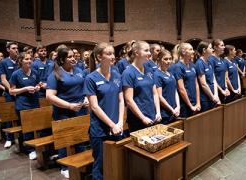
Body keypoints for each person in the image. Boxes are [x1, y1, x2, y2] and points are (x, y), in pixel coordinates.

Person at [46, 45, 89, 178]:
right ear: (62, 59)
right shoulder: (55, 74)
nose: (73, 59)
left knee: (80, 138)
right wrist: (69, 105)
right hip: (64, 111)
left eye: (73, 56)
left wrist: (87, 98)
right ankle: (64, 166)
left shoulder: (79, 70)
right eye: (69, 57)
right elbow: (50, 96)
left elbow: (85, 87)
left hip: (80, 110)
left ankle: (81, 162)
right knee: (65, 140)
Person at [85, 42, 124, 180]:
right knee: (100, 166)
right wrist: (112, 125)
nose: (113, 56)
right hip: (100, 130)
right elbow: (94, 107)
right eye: (109, 54)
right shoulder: (91, 78)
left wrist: (119, 122)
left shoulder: (117, 75)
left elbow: (121, 101)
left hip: (117, 127)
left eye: (113, 53)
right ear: (99, 57)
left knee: (117, 162)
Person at [122, 41, 161, 132]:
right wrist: (143, 118)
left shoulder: (149, 70)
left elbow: (154, 93)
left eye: (149, 51)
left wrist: (158, 112)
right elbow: (129, 100)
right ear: (136, 52)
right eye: (146, 50)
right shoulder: (128, 72)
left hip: (152, 115)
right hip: (138, 119)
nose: (149, 53)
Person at [9, 52, 40, 160]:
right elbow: (11, 91)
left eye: (30, 59)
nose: (29, 61)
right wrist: (25, 89)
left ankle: (37, 147)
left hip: (34, 102)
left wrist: (37, 88)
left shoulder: (35, 72)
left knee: (36, 126)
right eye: (26, 59)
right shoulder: (16, 74)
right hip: (22, 104)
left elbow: (37, 84)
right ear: (20, 61)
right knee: (27, 128)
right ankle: (30, 150)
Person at [0, 42, 19, 148]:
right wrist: (11, 90)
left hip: (20, 93)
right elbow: (3, 79)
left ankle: (21, 138)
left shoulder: (20, 61)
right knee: (10, 116)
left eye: (17, 48)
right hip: (10, 94)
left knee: (21, 115)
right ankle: (9, 138)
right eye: (13, 48)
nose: (16, 50)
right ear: (8, 50)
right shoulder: (3, 62)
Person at [171, 43, 200, 117]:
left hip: (195, 103)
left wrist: (198, 103)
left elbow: (196, 84)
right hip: (185, 104)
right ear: (183, 52)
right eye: (190, 49)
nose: (193, 51)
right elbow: (181, 89)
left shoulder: (192, 66)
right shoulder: (178, 67)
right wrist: (190, 106)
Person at [154, 49, 180, 124]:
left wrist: (178, 106)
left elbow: (175, 91)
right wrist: (172, 109)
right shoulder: (157, 74)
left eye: (170, 59)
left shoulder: (170, 74)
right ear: (159, 60)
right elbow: (159, 96)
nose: (168, 61)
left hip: (175, 111)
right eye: (165, 59)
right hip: (165, 113)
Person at [196, 41, 220, 112]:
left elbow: (214, 80)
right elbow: (203, 84)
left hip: (213, 96)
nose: (212, 50)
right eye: (210, 48)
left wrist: (216, 94)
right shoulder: (199, 63)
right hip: (205, 99)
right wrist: (213, 97)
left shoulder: (209, 62)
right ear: (204, 50)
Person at [209, 39, 230, 103]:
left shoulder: (221, 59)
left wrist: (226, 88)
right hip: (216, 91)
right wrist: (221, 90)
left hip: (224, 90)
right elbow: (212, 78)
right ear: (215, 47)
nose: (224, 47)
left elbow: (224, 76)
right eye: (222, 45)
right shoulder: (211, 59)